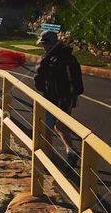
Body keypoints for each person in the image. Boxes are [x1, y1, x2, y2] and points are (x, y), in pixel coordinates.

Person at [34, 30, 84, 167]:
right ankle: (70, 150)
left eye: (44, 44)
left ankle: (47, 160)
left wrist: (42, 84)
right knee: (60, 125)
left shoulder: (47, 59)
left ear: (49, 44)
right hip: (69, 99)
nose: (43, 47)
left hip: (52, 99)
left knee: (46, 128)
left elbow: (38, 82)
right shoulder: (70, 57)